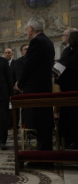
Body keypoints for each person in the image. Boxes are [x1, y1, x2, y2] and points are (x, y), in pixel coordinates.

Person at [16, 17, 55, 155]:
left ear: (31, 28)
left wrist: (20, 83)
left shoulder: (37, 41)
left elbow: (29, 66)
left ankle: (43, 155)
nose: (26, 31)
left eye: (27, 28)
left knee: (39, 122)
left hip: (36, 88)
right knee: (44, 122)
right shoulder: (48, 41)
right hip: (44, 86)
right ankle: (45, 152)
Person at [57, 31, 78, 149]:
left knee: (72, 116)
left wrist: (56, 76)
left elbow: (65, 66)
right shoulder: (69, 50)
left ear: (70, 38)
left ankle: (72, 141)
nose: (62, 37)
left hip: (71, 88)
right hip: (69, 87)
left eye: (63, 35)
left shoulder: (71, 51)